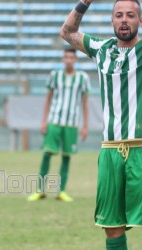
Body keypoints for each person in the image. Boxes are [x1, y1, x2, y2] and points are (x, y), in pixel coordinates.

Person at [61, 0, 142, 249]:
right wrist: (84, 3)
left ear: (139, 21)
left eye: (131, 15)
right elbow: (66, 33)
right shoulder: (101, 49)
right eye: (118, 15)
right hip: (110, 150)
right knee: (112, 227)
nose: (124, 20)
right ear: (111, 20)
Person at [28, 48, 89, 202]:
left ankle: (61, 191)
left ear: (75, 60)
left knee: (67, 157)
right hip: (54, 120)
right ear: (63, 59)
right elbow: (48, 99)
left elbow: (85, 103)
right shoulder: (54, 76)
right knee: (47, 153)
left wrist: (85, 126)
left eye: (71, 57)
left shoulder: (83, 78)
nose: (68, 60)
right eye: (66, 57)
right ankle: (40, 190)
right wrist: (44, 121)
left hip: (72, 123)